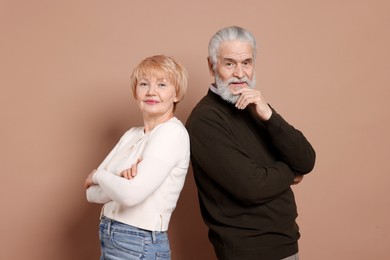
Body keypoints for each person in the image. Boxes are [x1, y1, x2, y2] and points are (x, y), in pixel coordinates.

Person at [186, 26, 316, 260]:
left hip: (285, 243)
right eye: (229, 64)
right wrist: (289, 173)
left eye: (246, 62)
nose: (240, 73)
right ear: (211, 65)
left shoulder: (255, 106)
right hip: (248, 251)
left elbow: (306, 160)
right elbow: (250, 186)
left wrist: (269, 115)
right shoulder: (204, 120)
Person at [85, 55, 190, 260]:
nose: (151, 91)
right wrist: (120, 179)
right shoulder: (131, 135)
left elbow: (130, 196)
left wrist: (98, 175)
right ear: (135, 91)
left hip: (139, 243)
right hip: (111, 237)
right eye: (144, 84)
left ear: (176, 94)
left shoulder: (172, 134)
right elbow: (91, 194)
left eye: (162, 84)